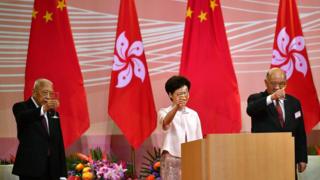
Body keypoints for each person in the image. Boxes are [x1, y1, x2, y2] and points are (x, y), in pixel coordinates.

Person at [246, 68, 307, 175]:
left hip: (288, 157)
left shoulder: (294, 103)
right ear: (266, 82)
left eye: (281, 84)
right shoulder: (255, 98)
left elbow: (300, 132)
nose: (277, 87)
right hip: (264, 158)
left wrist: (302, 158)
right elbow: (250, 110)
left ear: (286, 83)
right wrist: (272, 98)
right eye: (273, 83)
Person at [12, 78, 67, 180]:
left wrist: (63, 173)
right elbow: (23, 117)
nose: (48, 96)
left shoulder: (53, 114)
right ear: (34, 92)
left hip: (52, 170)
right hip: (30, 169)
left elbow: (58, 143)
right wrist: (43, 109)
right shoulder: (20, 107)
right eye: (45, 92)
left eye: (51, 93)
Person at [158, 75, 203, 180]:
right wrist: (176, 107)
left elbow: (199, 138)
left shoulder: (193, 114)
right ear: (170, 95)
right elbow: (165, 122)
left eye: (185, 93)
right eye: (179, 94)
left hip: (191, 158)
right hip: (172, 158)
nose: (183, 96)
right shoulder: (163, 112)